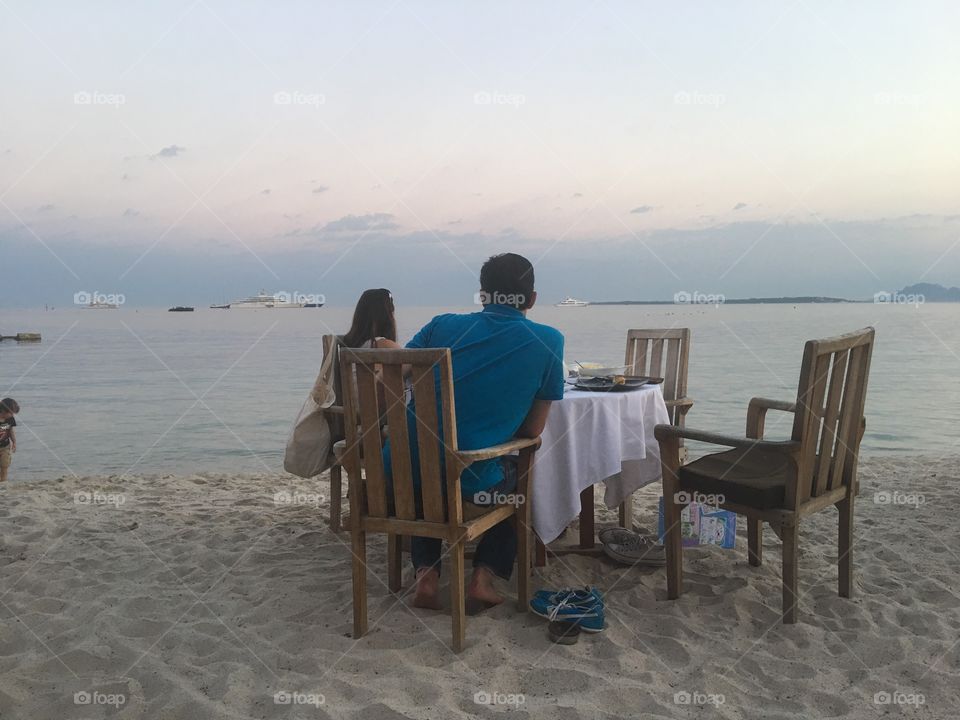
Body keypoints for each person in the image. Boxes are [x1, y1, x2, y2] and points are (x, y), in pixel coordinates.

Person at [386, 253, 565, 611]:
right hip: (466, 482)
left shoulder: (440, 326)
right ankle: (482, 579)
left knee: (429, 472)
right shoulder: (549, 340)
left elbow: (396, 371)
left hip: (394, 477)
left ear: (482, 295)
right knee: (517, 480)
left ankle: (427, 574)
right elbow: (533, 430)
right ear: (531, 299)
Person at [0, 398, 20, 482]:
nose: (12, 415)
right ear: (3, 410)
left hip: (5, 447)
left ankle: (3, 483)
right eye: (11, 413)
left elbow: (10, 430)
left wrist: (14, 442)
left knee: (5, 466)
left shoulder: (10, 419)